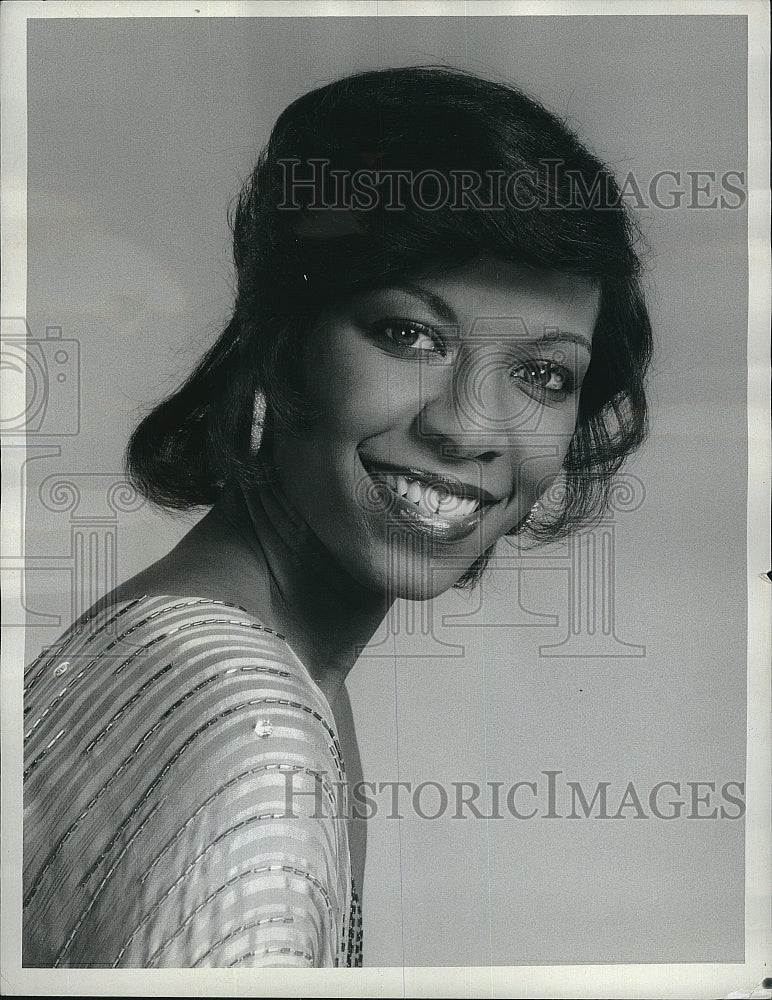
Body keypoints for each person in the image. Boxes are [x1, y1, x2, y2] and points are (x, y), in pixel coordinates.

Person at [22, 66, 652, 968]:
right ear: (282, 345)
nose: (470, 427)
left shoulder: (194, 649)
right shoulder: (255, 727)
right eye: (411, 335)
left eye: (543, 374)